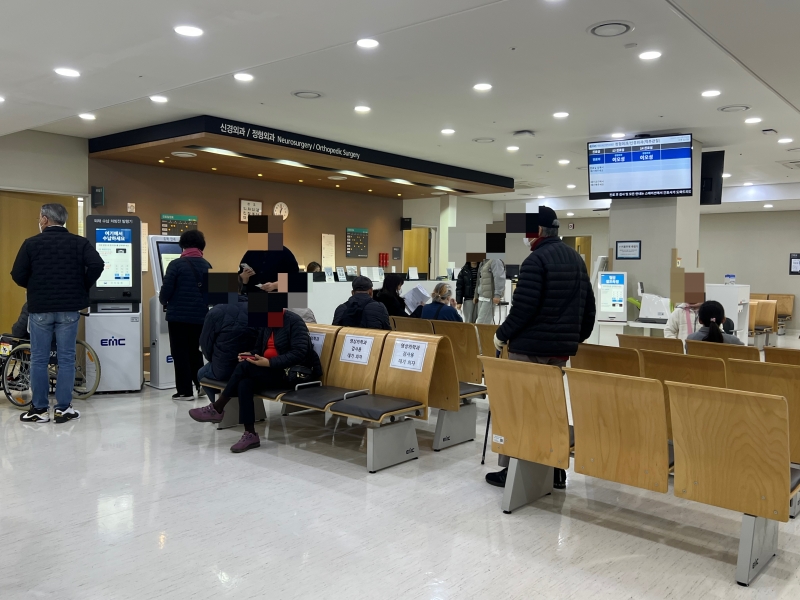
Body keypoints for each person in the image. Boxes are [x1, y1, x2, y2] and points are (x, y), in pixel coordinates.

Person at [488, 206, 596, 490]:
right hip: (559, 352)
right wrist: (574, 338)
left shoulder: (535, 261)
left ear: (536, 231)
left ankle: (513, 471)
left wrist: (501, 335)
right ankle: (556, 469)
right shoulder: (576, 259)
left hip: (529, 348)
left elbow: (523, 309)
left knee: (521, 410)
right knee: (551, 409)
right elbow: (589, 306)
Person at [10, 203, 104, 423]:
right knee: (66, 358)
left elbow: (17, 274)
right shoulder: (80, 243)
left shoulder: (31, 243)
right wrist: (82, 285)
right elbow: (97, 264)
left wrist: (35, 286)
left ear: (44, 219)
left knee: (39, 359)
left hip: (40, 308)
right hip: (69, 308)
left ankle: (40, 409)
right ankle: (63, 409)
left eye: (39, 218)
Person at [188, 309, 322, 453]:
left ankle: (218, 407)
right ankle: (250, 434)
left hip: (292, 373)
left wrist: (269, 363)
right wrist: (251, 355)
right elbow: (259, 348)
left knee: (244, 368)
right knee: (244, 383)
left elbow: (299, 353)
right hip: (272, 371)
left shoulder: (294, 322)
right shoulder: (267, 322)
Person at [159, 230, 212, 400]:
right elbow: (213, 295)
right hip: (200, 317)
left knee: (180, 352)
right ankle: (201, 385)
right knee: (195, 351)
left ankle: (185, 391)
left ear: (183, 245)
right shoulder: (207, 265)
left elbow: (166, 290)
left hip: (178, 317)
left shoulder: (176, 265)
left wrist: (163, 301)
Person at [198, 295, 258, 402]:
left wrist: (213, 360)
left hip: (225, 369)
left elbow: (205, 344)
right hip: (253, 366)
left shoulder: (215, 312)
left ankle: (218, 406)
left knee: (201, 374)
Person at [474, 257, 505, 324]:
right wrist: (476, 295)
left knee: (481, 323)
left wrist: (497, 295)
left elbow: (499, 278)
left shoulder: (496, 261)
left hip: (489, 298)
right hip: (481, 297)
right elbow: (479, 280)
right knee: (485, 323)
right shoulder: (482, 262)